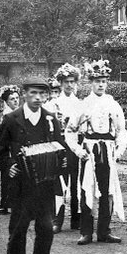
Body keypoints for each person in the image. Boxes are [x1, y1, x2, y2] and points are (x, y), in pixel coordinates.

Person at [0, 80, 65, 254]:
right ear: (24, 94)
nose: (37, 98)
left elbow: (59, 145)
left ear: (46, 96)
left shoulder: (51, 119)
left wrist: (61, 161)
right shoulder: (11, 119)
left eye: (41, 94)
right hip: (21, 187)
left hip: (45, 186)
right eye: (33, 93)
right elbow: (0, 152)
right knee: (17, 231)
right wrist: (9, 167)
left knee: (45, 230)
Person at [66, 59, 126, 245]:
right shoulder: (83, 104)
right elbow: (70, 130)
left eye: (104, 81)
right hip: (89, 152)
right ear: (91, 82)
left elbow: (121, 130)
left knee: (107, 191)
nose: (101, 84)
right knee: (87, 191)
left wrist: (118, 151)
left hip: (107, 152)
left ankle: (104, 231)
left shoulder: (113, 104)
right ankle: (86, 232)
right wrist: (78, 150)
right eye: (97, 81)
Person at [51, 63, 83, 232]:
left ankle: (76, 220)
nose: (69, 85)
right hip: (59, 146)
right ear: (61, 83)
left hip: (75, 145)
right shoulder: (54, 104)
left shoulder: (80, 103)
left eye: (72, 81)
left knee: (76, 182)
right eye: (66, 82)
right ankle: (57, 219)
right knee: (59, 182)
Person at [0, 84, 20, 215]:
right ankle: (4, 204)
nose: (15, 101)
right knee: (6, 175)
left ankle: (18, 203)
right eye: (12, 99)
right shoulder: (0, 116)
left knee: (20, 173)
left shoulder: (22, 114)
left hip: (18, 147)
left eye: (17, 98)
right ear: (6, 101)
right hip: (5, 149)